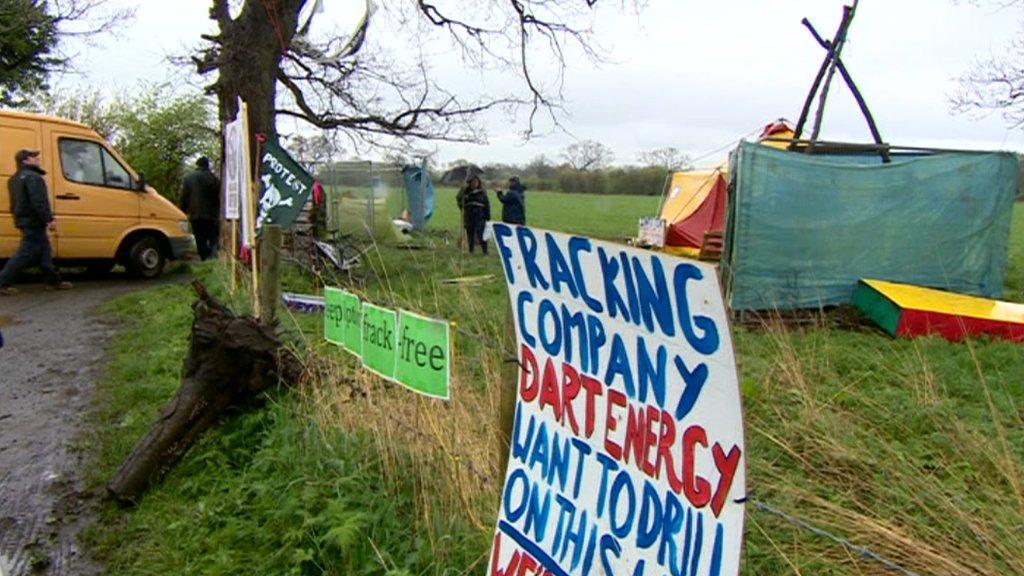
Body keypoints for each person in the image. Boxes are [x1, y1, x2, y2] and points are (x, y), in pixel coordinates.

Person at [0, 149, 72, 295]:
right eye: (33, 157)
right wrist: (49, 219)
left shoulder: (14, 179)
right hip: (33, 221)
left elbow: (14, 203)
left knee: (45, 251)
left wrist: (18, 218)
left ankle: (54, 281)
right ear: (25, 161)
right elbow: (39, 201)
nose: (37, 158)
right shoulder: (34, 177)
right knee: (24, 253)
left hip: (23, 219)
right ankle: (2, 281)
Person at [179, 156, 221, 260]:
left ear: (197, 165)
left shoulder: (188, 178)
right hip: (211, 215)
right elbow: (218, 196)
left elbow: (184, 197)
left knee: (199, 238)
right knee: (213, 238)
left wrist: (183, 211)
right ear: (207, 165)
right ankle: (212, 258)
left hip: (195, 214)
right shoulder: (213, 178)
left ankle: (204, 259)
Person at [456, 174, 491, 254]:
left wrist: (487, 217)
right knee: (470, 234)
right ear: (470, 183)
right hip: (469, 216)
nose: (474, 183)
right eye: (473, 182)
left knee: (481, 234)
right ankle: (471, 250)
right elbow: (460, 203)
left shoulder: (482, 193)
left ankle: (485, 251)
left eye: (476, 182)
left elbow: (487, 205)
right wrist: (462, 193)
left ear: (479, 183)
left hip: (480, 216)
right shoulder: (465, 192)